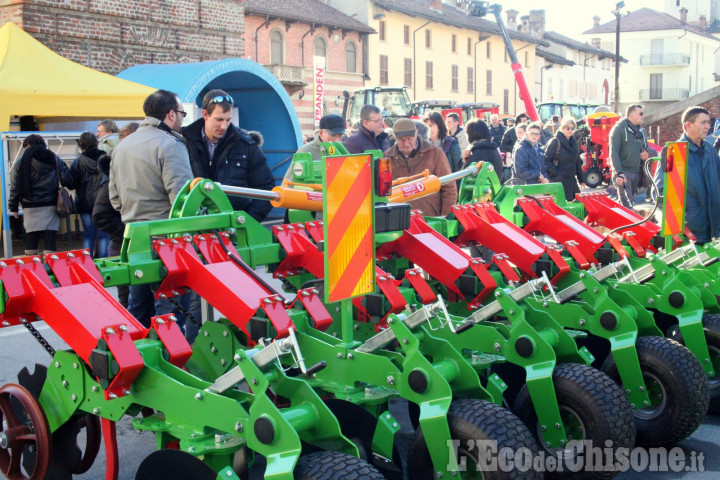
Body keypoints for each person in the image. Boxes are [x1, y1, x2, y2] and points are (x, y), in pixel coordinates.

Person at [109, 89, 196, 338]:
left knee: (139, 308)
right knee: (169, 310)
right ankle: (170, 364)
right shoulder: (170, 145)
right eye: (182, 113)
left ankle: (135, 361)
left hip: (133, 239)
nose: (182, 119)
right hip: (167, 240)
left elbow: (115, 200)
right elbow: (183, 201)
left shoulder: (122, 147)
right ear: (171, 114)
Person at [183, 89, 275, 221]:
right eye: (219, 119)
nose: (224, 126)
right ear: (205, 114)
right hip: (194, 224)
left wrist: (247, 221)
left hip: (235, 226)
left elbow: (267, 189)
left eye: (228, 120)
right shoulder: (184, 142)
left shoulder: (246, 144)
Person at [657, 106, 720, 244]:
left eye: (708, 122)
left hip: (714, 230)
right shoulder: (673, 152)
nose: (708, 126)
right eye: (703, 122)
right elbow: (661, 192)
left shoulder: (710, 150)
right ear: (688, 125)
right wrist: (683, 219)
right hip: (690, 233)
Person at [9, 134, 75, 255]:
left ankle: (32, 269)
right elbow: (67, 179)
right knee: (50, 236)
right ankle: (50, 268)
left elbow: (14, 186)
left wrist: (13, 206)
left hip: (29, 204)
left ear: (28, 145)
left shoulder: (21, 162)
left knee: (31, 236)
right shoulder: (54, 158)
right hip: (50, 203)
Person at [383, 118, 457, 216]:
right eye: (401, 140)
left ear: (416, 133)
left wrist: (445, 217)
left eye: (410, 139)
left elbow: (449, 188)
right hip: (398, 219)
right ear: (395, 138)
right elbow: (382, 192)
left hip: (430, 218)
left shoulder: (435, 153)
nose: (406, 144)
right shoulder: (387, 157)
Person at [70, 132, 109, 257]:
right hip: (103, 202)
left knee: (88, 234)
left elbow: (72, 183)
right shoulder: (105, 158)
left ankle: (87, 263)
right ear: (96, 142)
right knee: (103, 234)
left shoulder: (77, 162)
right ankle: (103, 264)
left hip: (84, 203)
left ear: (81, 144)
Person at [609, 104, 653, 208]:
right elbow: (613, 153)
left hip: (636, 172)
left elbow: (646, 148)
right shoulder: (619, 129)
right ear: (632, 115)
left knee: (631, 203)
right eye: (641, 113)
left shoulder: (641, 131)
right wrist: (619, 172)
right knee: (625, 205)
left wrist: (647, 154)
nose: (643, 116)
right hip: (624, 172)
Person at [285, 114, 345, 182]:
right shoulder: (305, 151)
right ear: (321, 133)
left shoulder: (343, 151)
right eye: (333, 135)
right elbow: (288, 183)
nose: (337, 140)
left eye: (340, 135)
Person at [545, 118, 586, 201]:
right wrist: (557, 173)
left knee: (578, 204)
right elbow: (547, 160)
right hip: (558, 181)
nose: (570, 130)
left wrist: (581, 180)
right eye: (568, 128)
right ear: (562, 128)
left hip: (571, 180)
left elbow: (576, 161)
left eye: (572, 128)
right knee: (560, 209)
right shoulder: (555, 141)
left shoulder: (573, 142)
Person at [464, 118, 504, 183]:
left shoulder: (475, 153)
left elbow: (464, 180)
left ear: (470, 134)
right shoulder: (494, 150)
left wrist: (465, 161)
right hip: (496, 191)